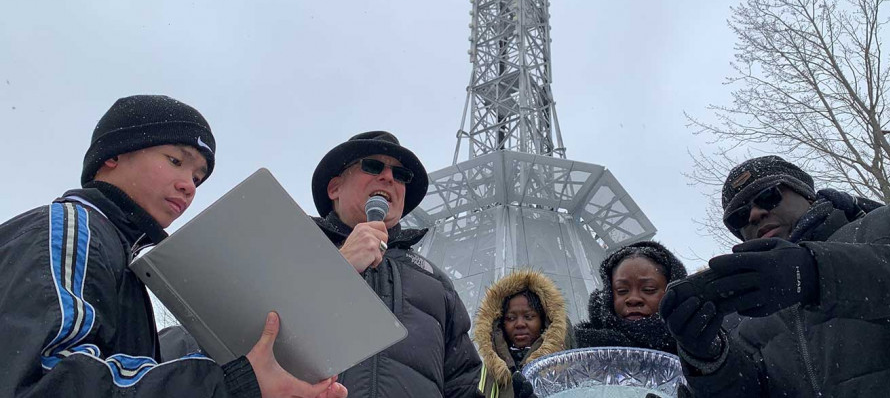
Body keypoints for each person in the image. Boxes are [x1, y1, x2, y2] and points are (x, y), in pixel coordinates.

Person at [0, 95, 346, 398]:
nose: (189, 186)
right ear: (114, 155)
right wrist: (229, 383)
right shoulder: (72, 228)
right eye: (176, 161)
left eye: (198, 178)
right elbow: (43, 378)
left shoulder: (125, 257)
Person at [661, 155, 890, 397]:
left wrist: (815, 273)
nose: (755, 214)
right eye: (739, 217)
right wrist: (708, 360)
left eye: (768, 196)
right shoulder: (737, 313)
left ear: (807, 194)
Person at [310, 131, 482, 397]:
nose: (389, 177)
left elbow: (463, 385)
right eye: (372, 166)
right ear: (334, 188)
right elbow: (251, 343)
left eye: (401, 175)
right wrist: (339, 268)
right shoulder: (291, 247)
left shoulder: (436, 283)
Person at [473, 270, 576, 398]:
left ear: (544, 321)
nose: (520, 324)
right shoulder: (486, 373)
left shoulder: (565, 368)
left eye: (528, 316)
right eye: (511, 318)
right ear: (500, 324)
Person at [575, 241, 687, 354]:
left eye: (648, 289)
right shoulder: (577, 349)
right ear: (609, 295)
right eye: (621, 290)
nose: (633, 299)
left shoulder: (698, 348)